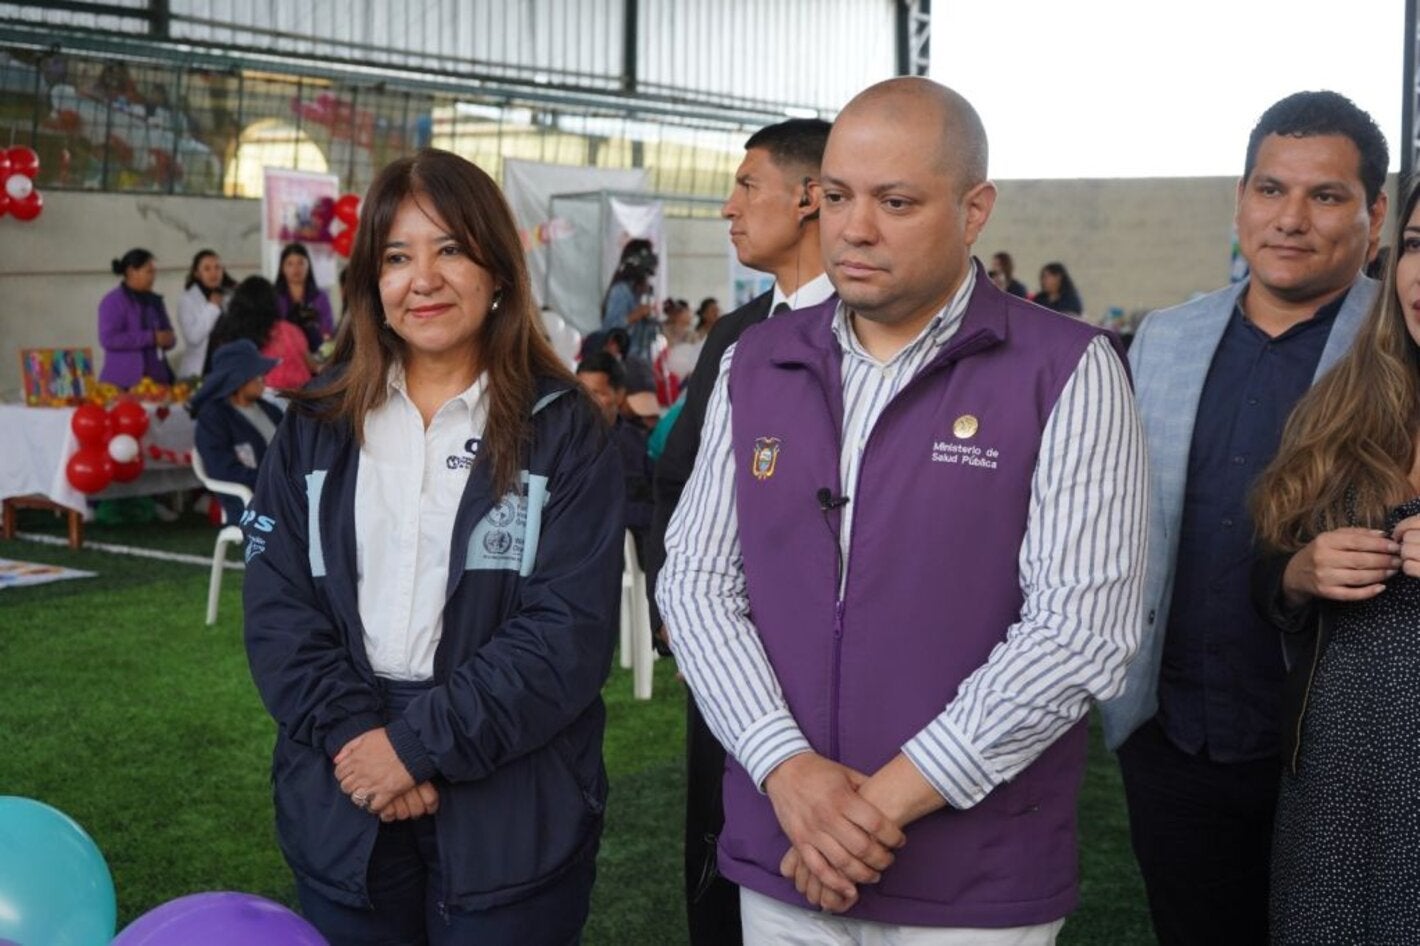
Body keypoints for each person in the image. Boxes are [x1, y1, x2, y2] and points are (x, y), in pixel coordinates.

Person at [658, 78, 1146, 944]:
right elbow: (695, 584)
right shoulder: (756, 360)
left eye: (895, 202)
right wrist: (787, 771)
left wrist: (874, 808)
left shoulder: (1067, 368)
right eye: (836, 197)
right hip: (785, 851)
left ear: (974, 209)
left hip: (973, 879)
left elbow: (1079, 631)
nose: (854, 228)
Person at [242, 148, 622, 944]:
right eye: (396, 257)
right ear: (370, 283)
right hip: (344, 782)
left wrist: (417, 746)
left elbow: (567, 632)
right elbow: (279, 609)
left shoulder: (563, 429)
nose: (423, 280)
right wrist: (359, 739)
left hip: (513, 802)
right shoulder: (315, 425)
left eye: (449, 249)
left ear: (498, 270)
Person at [1098, 90, 1388, 944]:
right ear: (1240, 198)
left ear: (1374, 214)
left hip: (1336, 752)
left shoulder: (1398, 344)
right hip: (1171, 737)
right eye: (1270, 190)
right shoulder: (1165, 339)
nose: (1290, 219)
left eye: (1325, 196)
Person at [645, 115, 832, 946]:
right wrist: (676, 602)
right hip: (726, 649)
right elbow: (676, 475)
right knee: (718, 848)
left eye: (747, 185)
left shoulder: (872, 330)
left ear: (809, 197)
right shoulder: (735, 334)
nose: (729, 206)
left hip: (829, 663)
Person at [1250, 173, 1420, 944]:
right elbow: (1267, 562)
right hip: (1336, 778)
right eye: (1416, 246)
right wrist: (1299, 573)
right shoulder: (1349, 400)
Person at [190, 339, 282, 524]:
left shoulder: (271, 410)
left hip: (287, 492)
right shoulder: (214, 418)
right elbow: (224, 470)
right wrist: (277, 481)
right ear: (238, 380)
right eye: (257, 376)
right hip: (253, 501)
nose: (263, 380)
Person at [577, 351, 653, 561]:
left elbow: (653, 502)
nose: (587, 401)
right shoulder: (564, 443)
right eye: (581, 392)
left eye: (597, 393)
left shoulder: (637, 444)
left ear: (619, 395)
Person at [208, 275, 314, 391]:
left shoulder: (231, 335)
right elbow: (312, 366)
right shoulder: (290, 330)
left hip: (254, 396)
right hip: (298, 396)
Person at [98, 248, 176, 388]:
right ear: (131, 272)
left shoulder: (156, 301)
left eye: (154, 272)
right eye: (149, 272)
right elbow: (109, 339)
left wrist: (169, 339)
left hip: (156, 382)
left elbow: (168, 334)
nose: (153, 277)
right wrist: (151, 338)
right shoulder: (113, 301)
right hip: (122, 382)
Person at [176, 248, 235, 378]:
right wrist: (212, 307)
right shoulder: (187, 300)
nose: (214, 273)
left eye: (217, 267)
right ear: (197, 273)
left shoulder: (228, 296)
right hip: (200, 372)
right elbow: (193, 337)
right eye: (207, 269)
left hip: (225, 368)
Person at [601, 238, 660, 362]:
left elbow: (651, 336)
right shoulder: (621, 290)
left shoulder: (646, 292)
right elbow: (609, 328)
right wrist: (634, 315)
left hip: (643, 360)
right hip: (625, 361)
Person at [275, 242, 336, 351]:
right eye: (290, 264)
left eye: (301, 263)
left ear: (308, 266)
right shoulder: (274, 296)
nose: (296, 268)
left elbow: (328, 330)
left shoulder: (321, 297)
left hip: (316, 351)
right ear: (282, 268)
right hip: (283, 351)